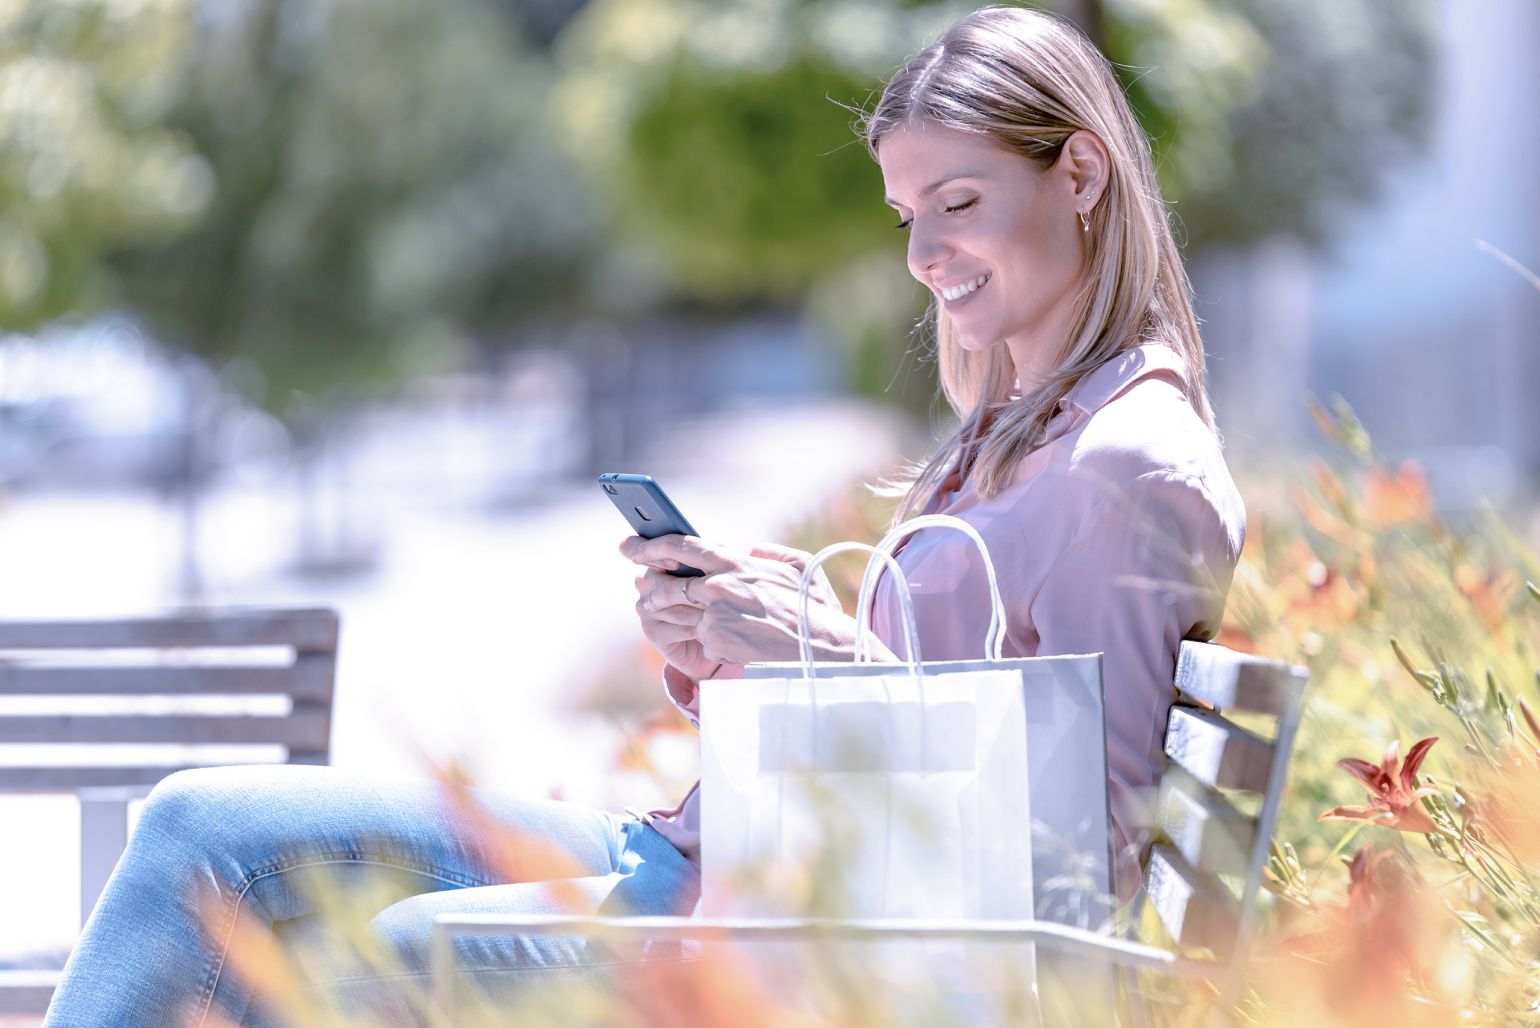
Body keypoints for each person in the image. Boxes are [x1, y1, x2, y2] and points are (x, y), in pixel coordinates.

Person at [42, 5, 1242, 1025]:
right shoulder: (1023, 426)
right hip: (719, 857)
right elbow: (948, 706)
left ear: (1080, 175)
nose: (922, 252)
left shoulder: (1126, 463)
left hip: (809, 924)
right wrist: (748, 641)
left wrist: (834, 659)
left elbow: (1077, 873)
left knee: (364, 947)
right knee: (199, 820)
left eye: (958, 202)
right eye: (904, 214)